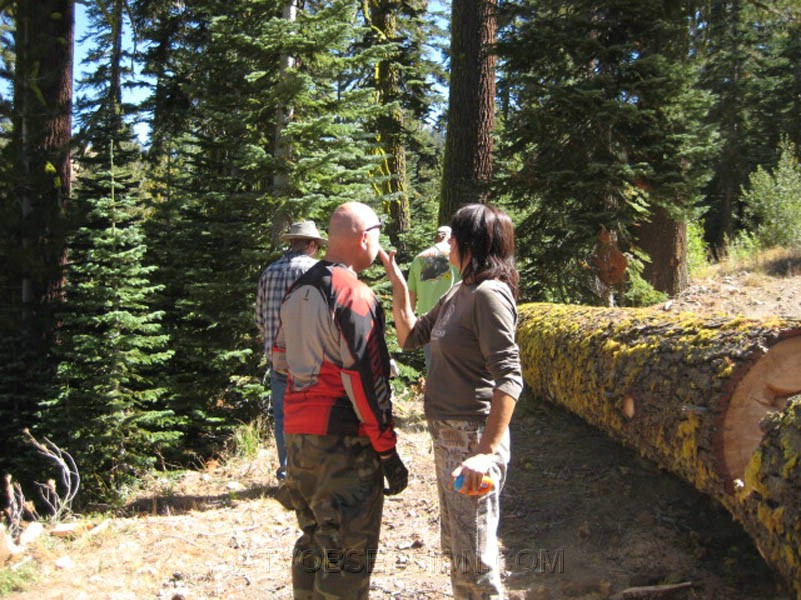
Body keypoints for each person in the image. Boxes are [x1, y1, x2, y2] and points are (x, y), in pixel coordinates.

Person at [380, 203, 523, 599]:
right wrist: (399, 286)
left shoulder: (489, 295)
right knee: (459, 551)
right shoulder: (460, 291)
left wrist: (485, 453)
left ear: (468, 244)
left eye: (454, 238)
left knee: (473, 561)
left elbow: (510, 378)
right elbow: (410, 337)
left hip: (472, 439)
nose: (448, 246)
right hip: (448, 437)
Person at [272, 202, 408, 600]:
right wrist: (388, 452)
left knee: (313, 539)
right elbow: (365, 381)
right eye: (378, 236)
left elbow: (280, 360)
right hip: (343, 444)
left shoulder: (298, 290)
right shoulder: (354, 294)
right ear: (364, 237)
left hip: (299, 441)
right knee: (347, 555)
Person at [255, 220, 326, 482]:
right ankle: (312, 471)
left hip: (278, 359)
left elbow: (260, 318)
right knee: (313, 415)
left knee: (283, 417)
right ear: (311, 244)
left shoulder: (269, 272)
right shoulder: (317, 271)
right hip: (312, 359)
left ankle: (287, 471)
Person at [407, 225, 460, 370]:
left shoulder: (420, 258)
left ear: (436, 237)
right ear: (450, 238)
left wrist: (410, 324)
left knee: (433, 369)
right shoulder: (458, 257)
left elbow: (411, 294)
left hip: (427, 323)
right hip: (455, 321)